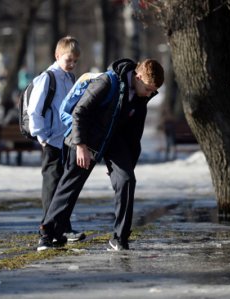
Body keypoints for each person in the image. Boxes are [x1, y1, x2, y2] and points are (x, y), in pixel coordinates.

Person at [37, 58, 164, 251]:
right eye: (147, 89)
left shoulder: (142, 96)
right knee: (70, 185)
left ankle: (120, 238)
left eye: (152, 91)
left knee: (127, 180)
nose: (149, 94)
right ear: (138, 77)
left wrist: (126, 165)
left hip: (114, 140)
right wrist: (80, 146)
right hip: (87, 137)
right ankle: (47, 234)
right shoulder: (107, 82)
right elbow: (80, 112)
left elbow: (134, 135)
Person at [27, 36, 85, 244]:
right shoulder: (48, 78)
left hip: (67, 140)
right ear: (57, 55)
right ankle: (47, 228)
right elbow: (34, 110)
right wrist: (42, 136)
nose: (72, 64)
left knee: (64, 185)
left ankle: (63, 227)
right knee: (52, 185)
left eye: (75, 61)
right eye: (69, 59)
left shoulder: (70, 78)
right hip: (51, 140)